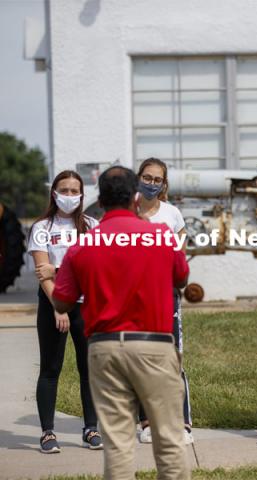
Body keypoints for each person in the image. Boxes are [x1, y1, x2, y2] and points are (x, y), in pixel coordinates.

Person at [52, 166, 190, 480]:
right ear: (137, 198)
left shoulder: (83, 245)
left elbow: (62, 301)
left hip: (104, 347)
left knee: (118, 445)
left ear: (100, 200)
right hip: (154, 346)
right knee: (169, 439)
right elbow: (181, 277)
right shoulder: (160, 237)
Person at [27, 170, 103, 453]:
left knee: (89, 370)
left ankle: (91, 428)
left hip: (86, 306)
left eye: (75, 191)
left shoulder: (93, 226)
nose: (69, 196)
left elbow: (96, 270)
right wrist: (59, 306)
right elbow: (41, 272)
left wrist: (59, 269)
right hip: (52, 306)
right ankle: (47, 433)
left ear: (83, 195)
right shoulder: (42, 227)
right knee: (50, 368)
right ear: (54, 193)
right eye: (64, 190)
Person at [136, 157, 193, 445]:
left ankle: (181, 423)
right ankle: (145, 422)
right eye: (147, 177)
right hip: (134, 296)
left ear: (164, 184)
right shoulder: (127, 212)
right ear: (138, 178)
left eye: (157, 180)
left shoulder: (172, 214)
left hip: (165, 293)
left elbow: (180, 248)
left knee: (172, 359)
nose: (151, 184)